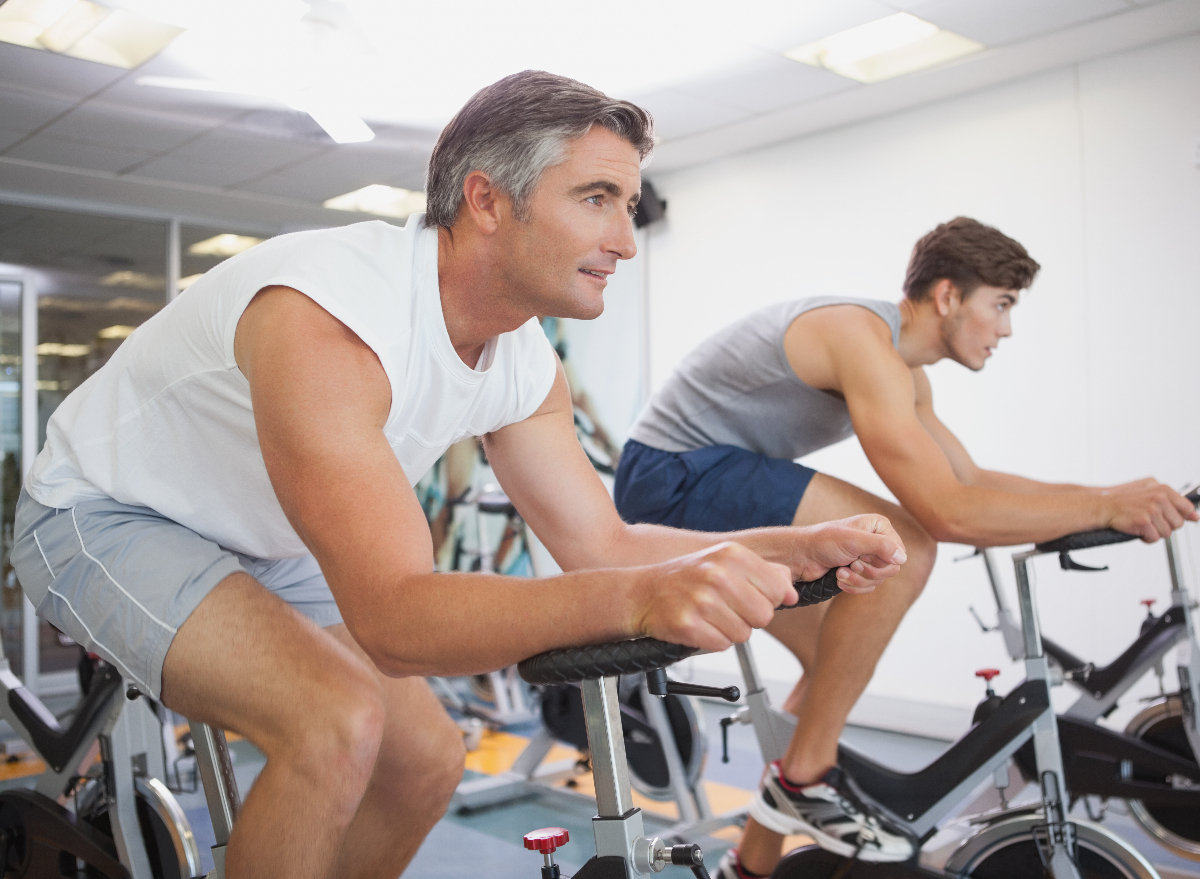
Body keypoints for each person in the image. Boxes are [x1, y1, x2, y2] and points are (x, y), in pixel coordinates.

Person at [10, 71, 907, 879]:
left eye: (627, 204)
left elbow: (604, 541)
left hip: (266, 542)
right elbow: (399, 616)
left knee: (425, 757)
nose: (624, 241)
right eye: (597, 197)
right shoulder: (332, 319)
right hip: (107, 515)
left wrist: (781, 548)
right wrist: (637, 598)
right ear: (486, 199)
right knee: (334, 721)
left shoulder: (523, 361)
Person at [612, 216, 1199, 875]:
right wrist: (1103, 505)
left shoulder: (908, 373)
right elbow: (945, 512)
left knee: (836, 653)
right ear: (948, 296)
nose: (1005, 328)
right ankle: (805, 782)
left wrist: (1114, 496)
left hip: (708, 470)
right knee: (902, 547)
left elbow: (971, 480)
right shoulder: (860, 338)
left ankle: (751, 861)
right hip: (668, 473)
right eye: (1000, 305)